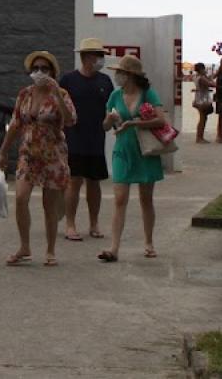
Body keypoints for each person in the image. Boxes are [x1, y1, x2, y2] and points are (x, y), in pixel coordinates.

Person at [0, 50, 76, 267]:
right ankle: (25, 246)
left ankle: (50, 250)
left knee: (49, 205)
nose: (39, 72)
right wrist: (3, 152)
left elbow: (70, 120)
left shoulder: (61, 94)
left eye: (44, 68)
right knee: (21, 197)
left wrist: (57, 95)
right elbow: (15, 124)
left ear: (52, 71)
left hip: (52, 155)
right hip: (29, 154)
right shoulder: (25, 94)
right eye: (35, 68)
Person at [97, 55, 167, 262]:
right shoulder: (115, 96)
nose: (117, 76)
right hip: (123, 150)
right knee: (120, 198)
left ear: (130, 75)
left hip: (145, 150)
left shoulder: (148, 94)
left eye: (121, 72)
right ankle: (114, 247)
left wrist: (134, 123)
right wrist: (109, 120)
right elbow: (105, 126)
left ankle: (148, 242)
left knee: (146, 199)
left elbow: (160, 119)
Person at [59, 37, 114, 242]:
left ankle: (94, 223)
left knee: (94, 182)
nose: (101, 59)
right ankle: (70, 224)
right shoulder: (68, 80)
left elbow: (111, 108)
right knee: (74, 182)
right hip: (73, 139)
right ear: (86, 57)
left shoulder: (105, 81)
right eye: (98, 55)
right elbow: (59, 107)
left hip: (96, 140)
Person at [192, 62, 214, 143]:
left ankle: (200, 136)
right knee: (203, 118)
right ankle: (199, 137)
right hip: (202, 99)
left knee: (202, 118)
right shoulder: (201, 78)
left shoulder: (196, 77)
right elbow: (211, 84)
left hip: (198, 98)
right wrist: (211, 78)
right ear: (201, 69)